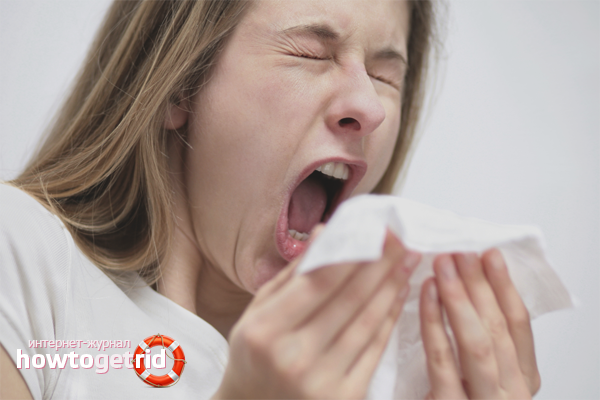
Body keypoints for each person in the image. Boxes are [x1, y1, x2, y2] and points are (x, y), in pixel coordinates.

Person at [0, 0, 540, 399]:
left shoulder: (393, 371)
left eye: (383, 75)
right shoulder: (23, 260)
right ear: (178, 82)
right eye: (311, 52)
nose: (369, 106)